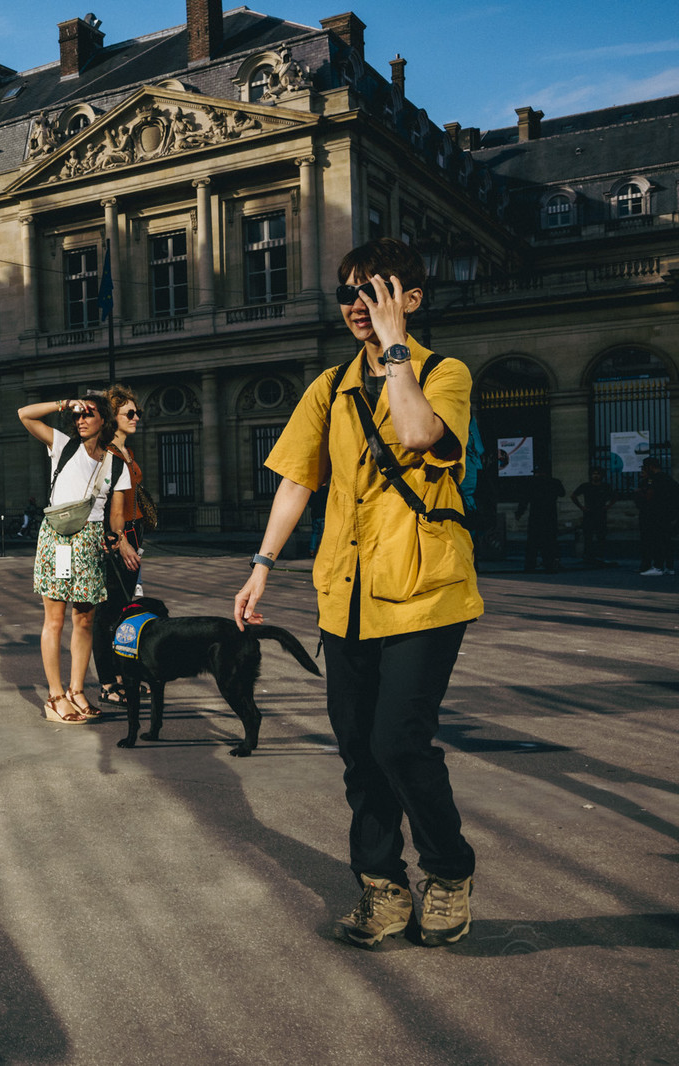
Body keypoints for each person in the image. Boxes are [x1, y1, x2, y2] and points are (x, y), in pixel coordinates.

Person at [233, 238, 483, 949]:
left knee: (399, 742)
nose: (357, 306)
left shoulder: (447, 373)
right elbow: (297, 480)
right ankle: (382, 890)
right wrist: (262, 565)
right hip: (343, 593)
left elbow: (416, 433)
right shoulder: (330, 387)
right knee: (359, 755)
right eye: (348, 293)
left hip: (423, 590)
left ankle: (449, 870)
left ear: (411, 298)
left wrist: (397, 352)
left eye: (374, 291)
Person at [18, 391, 134, 724]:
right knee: (54, 620)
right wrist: (63, 404)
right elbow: (25, 413)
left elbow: (116, 513)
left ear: (104, 420)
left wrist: (120, 539)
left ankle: (77, 690)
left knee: (84, 620)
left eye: (89, 413)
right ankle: (55, 696)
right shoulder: (62, 444)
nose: (81, 419)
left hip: (90, 543)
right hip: (59, 540)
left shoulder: (116, 462)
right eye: (79, 414)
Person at [92, 385, 145, 707]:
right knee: (107, 612)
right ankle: (108, 682)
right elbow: (105, 505)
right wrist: (121, 540)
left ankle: (125, 675)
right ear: (114, 417)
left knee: (125, 609)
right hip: (116, 538)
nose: (136, 417)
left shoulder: (127, 453)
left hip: (135, 534)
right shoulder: (106, 455)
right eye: (130, 413)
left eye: (137, 412)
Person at [517, 468, 565, 573]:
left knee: (533, 542)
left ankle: (530, 565)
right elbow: (562, 493)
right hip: (550, 515)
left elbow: (524, 499)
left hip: (536, 515)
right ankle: (549, 564)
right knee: (549, 541)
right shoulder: (554, 482)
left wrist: (519, 512)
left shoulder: (532, 483)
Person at [635, 457, 677, 575]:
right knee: (666, 541)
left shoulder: (654, 479)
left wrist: (639, 492)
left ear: (651, 467)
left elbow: (649, 496)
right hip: (667, 514)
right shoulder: (668, 479)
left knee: (656, 541)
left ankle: (658, 567)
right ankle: (669, 567)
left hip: (655, 514)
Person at [570, 466, 615, 564]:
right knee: (588, 535)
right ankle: (588, 556)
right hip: (589, 513)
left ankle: (600, 555)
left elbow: (614, 497)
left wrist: (608, 506)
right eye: (594, 474)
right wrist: (582, 507)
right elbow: (573, 495)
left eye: (598, 474)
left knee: (601, 535)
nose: (595, 476)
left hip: (600, 513)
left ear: (601, 475)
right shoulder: (586, 486)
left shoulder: (605, 486)